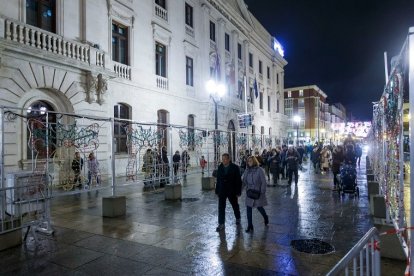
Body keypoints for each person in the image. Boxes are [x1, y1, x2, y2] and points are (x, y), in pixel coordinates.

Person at [215, 153, 242, 232]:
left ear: (229, 159)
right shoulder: (220, 167)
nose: (223, 161)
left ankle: (238, 218)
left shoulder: (235, 167)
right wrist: (217, 190)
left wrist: (238, 191)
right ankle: (221, 223)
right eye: (222, 159)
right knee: (221, 207)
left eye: (225, 159)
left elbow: (238, 180)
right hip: (222, 190)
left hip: (232, 190)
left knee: (234, 205)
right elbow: (218, 180)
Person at [242, 156, 269, 233]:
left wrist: (262, 191)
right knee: (248, 209)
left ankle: (265, 217)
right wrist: (240, 191)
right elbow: (244, 182)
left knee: (259, 208)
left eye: (250, 161)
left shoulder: (260, 170)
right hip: (250, 192)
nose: (249, 162)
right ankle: (250, 226)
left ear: (254, 161)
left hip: (258, 192)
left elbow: (263, 182)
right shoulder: (247, 171)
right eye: (248, 161)